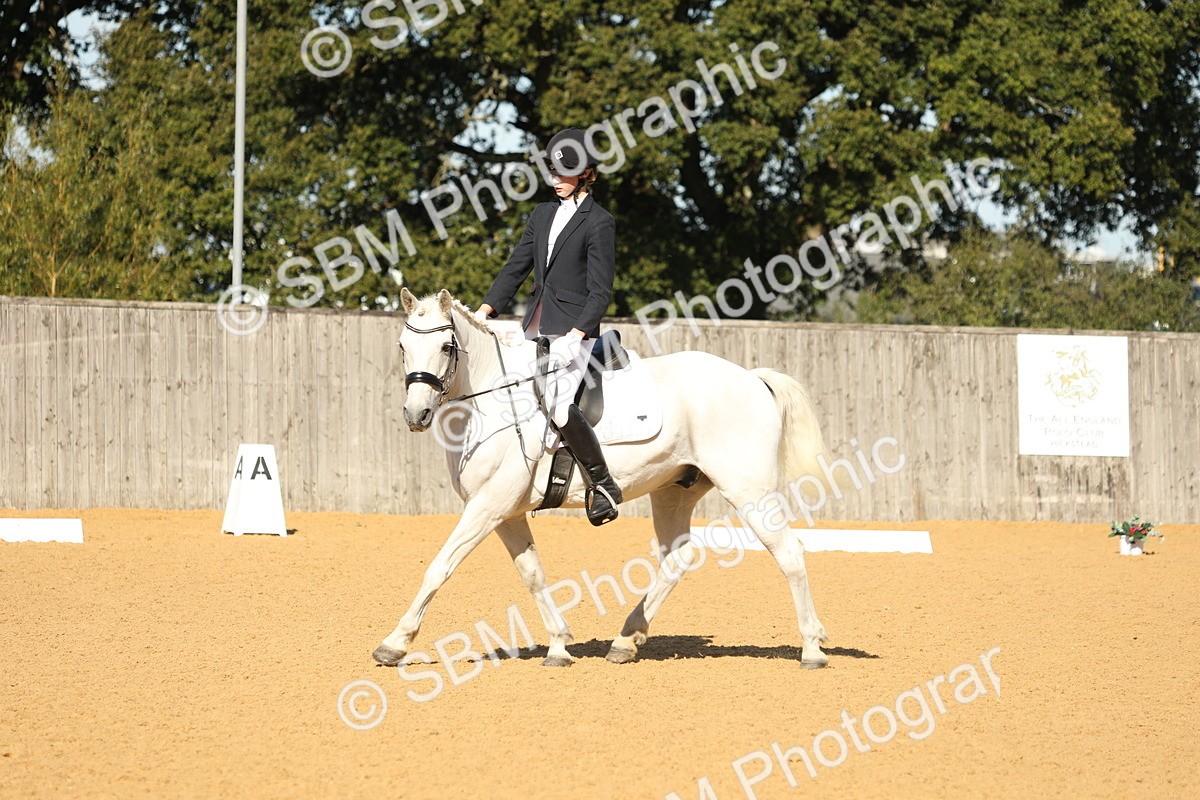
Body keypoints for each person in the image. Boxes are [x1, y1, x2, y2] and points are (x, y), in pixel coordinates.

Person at [474, 128, 623, 526]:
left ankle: (603, 484)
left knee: (557, 406)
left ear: (586, 174)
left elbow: (600, 290)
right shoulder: (541, 215)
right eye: (553, 172)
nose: (555, 179)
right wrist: (484, 311)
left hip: (574, 333)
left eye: (564, 173)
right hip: (535, 328)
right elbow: (515, 268)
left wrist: (577, 335)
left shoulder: (599, 222)